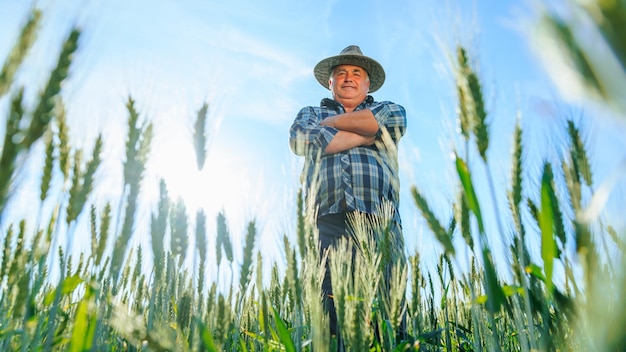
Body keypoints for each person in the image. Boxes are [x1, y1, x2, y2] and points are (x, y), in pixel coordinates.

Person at [289, 45, 407, 342]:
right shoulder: (310, 113)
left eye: (356, 73)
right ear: (330, 82)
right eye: (341, 73)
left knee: (389, 317)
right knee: (330, 318)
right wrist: (369, 133)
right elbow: (302, 138)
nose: (348, 78)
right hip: (326, 222)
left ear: (368, 84)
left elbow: (388, 122)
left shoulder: (390, 109)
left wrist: (328, 127)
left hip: (381, 222)